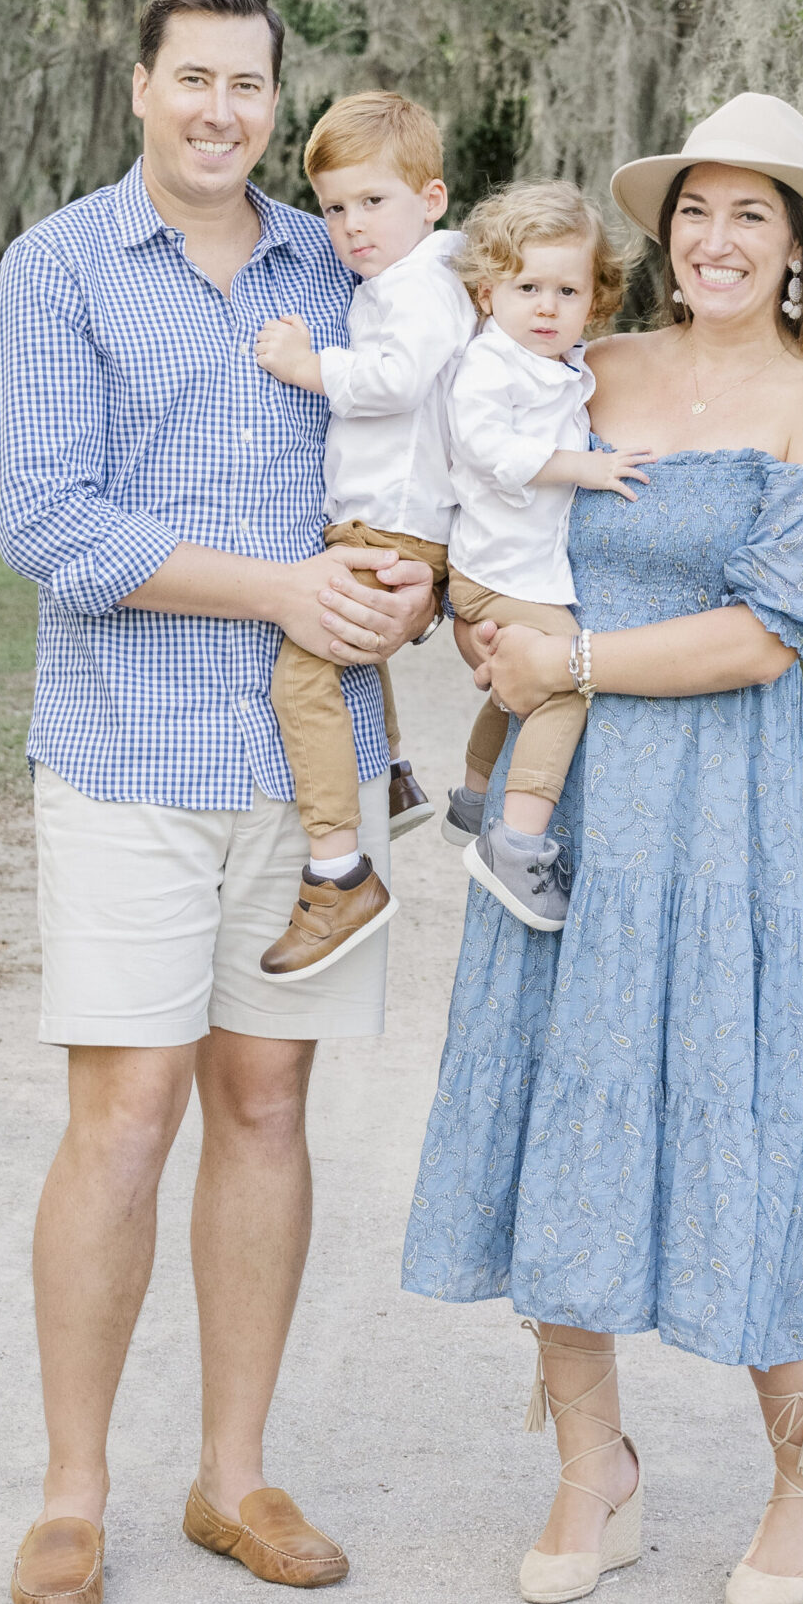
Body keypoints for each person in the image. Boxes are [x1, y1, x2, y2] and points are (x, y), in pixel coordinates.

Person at [0, 0, 436, 1604]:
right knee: (125, 1117)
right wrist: (277, 594)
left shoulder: (347, 261)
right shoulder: (61, 270)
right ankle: (72, 1497)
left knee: (265, 1108)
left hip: (313, 783)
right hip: (131, 761)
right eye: (194, 81)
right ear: (140, 87)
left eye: (248, 86)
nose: (222, 113)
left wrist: (412, 593)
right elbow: (42, 521)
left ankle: (233, 1477)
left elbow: (429, 456)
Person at [401, 91, 803, 1604]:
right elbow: (484, 511)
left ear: (797, 248)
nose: (716, 236)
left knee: (733, 1131)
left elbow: (763, 635)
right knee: (559, 1111)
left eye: (752, 213)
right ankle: (588, 1472)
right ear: (660, 233)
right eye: (695, 208)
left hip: (709, 822)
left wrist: (574, 660)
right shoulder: (584, 370)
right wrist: (486, 628)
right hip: (568, 819)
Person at [251, 91, 475, 981]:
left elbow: (397, 378)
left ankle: (339, 873)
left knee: (301, 678)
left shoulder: (421, 287)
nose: (349, 226)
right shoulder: (400, 279)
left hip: (393, 527)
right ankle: (387, 777)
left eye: (372, 203)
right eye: (333, 207)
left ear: (432, 199)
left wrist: (307, 367)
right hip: (378, 520)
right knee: (351, 656)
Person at [438, 184, 650, 932]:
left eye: (567, 290)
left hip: (519, 568)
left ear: (594, 299)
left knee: (515, 684)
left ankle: (473, 794)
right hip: (498, 571)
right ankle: (517, 842)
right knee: (564, 683)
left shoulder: (557, 362)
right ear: (488, 290)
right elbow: (485, 449)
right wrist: (581, 466)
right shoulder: (490, 366)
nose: (546, 307)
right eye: (527, 287)